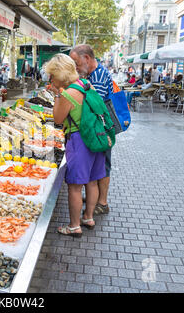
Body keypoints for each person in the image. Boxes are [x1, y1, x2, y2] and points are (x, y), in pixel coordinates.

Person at [45, 53, 104, 237]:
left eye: (52, 76)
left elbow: (58, 119)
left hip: (80, 140)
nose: (51, 80)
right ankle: (88, 217)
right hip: (96, 138)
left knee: (75, 186)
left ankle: (74, 226)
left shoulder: (68, 94)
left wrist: (56, 96)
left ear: (59, 74)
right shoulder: (86, 84)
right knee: (92, 181)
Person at [69, 44, 113, 215]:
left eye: (76, 62)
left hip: (100, 132)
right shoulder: (92, 74)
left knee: (102, 167)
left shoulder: (99, 76)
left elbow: (95, 107)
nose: (76, 67)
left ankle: (102, 203)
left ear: (86, 58)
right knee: (96, 169)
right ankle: (95, 201)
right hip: (98, 130)